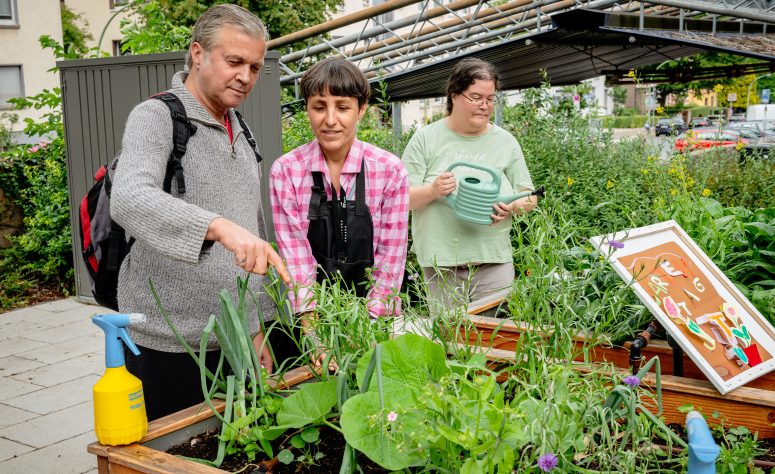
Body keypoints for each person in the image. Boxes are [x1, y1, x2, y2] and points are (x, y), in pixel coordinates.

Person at [110, 4, 289, 420]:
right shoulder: (155, 117)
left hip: (232, 339)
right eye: (234, 62)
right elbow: (129, 197)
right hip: (166, 342)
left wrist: (256, 326)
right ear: (197, 53)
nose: (245, 76)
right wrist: (216, 225)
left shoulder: (239, 129)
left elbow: (253, 236)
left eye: (255, 66)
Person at [270, 57, 409, 345]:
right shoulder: (286, 171)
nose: (330, 120)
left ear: (361, 110)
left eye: (343, 107)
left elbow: (390, 259)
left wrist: (370, 331)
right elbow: (297, 259)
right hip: (315, 317)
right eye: (319, 107)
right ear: (307, 109)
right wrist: (314, 335)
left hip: (376, 319)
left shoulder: (388, 169)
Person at [402, 58, 537, 315]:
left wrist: (512, 206)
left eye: (490, 98)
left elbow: (530, 197)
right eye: (476, 97)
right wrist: (433, 191)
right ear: (454, 95)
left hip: (493, 263)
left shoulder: (505, 141)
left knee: (497, 341)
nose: (484, 106)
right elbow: (401, 199)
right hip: (441, 265)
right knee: (448, 342)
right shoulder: (425, 139)